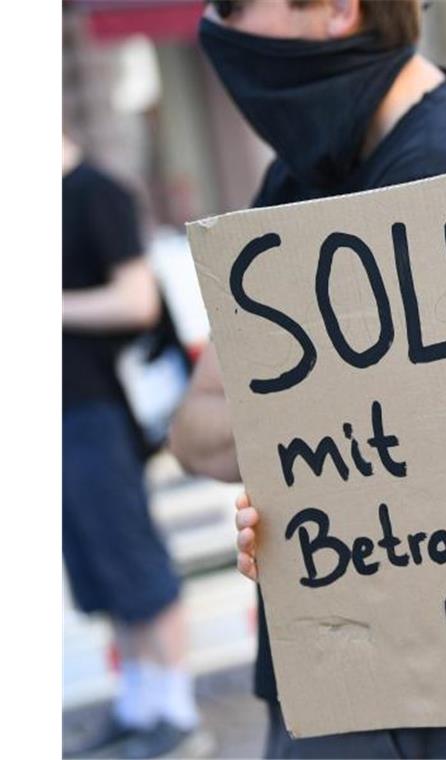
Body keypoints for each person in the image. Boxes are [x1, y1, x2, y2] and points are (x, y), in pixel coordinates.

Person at [169, 1, 446, 757]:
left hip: (441, 686)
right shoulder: (298, 175)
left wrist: (288, 411)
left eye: (240, 4)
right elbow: (194, 434)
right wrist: (322, 414)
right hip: (315, 668)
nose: (217, 21)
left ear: (340, 9)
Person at [62, 134, 209, 759]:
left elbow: (136, 299)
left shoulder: (94, 193)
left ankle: (175, 710)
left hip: (96, 408)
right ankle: (139, 702)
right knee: (99, 565)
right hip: (65, 410)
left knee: (131, 555)